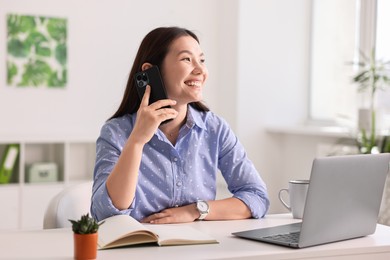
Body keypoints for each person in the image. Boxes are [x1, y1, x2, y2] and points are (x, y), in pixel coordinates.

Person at [91, 26, 269, 224]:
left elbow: (256, 197)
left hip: (197, 248)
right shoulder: (117, 132)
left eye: (201, 60)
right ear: (150, 72)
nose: (200, 70)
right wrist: (136, 141)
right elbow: (105, 214)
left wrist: (196, 210)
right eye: (187, 59)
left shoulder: (215, 129)